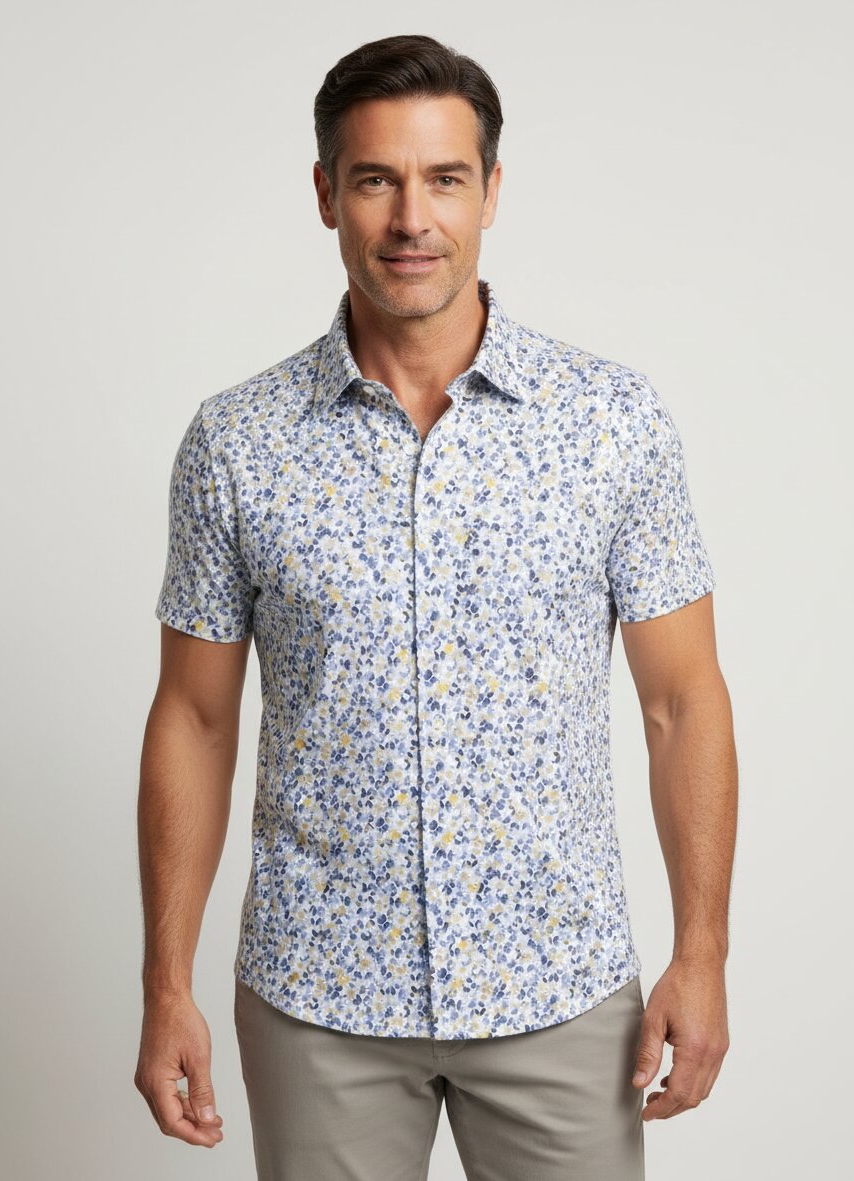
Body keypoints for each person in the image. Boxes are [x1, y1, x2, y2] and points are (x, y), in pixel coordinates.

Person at [134, 32, 737, 1181]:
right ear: (327, 193)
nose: (413, 218)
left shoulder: (611, 422)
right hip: (318, 998)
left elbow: (683, 701)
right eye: (376, 179)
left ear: (491, 191)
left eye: (445, 178)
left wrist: (700, 951)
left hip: (560, 988)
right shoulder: (236, 444)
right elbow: (195, 719)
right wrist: (166, 983)